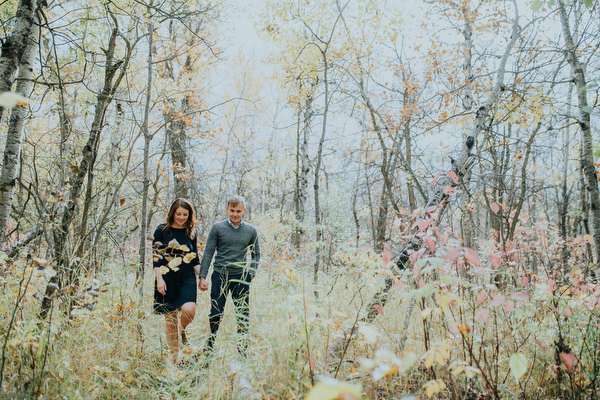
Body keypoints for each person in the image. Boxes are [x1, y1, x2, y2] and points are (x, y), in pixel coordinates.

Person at [198, 195, 260, 356]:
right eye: (232, 210)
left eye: (238, 211)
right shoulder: (217, 228)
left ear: (244, 211)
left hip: (240, 277)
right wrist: (202, 276)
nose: (235, 214)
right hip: (220, 275)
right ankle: (209, 348)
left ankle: (242, 351)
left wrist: (251, 273)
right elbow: (208, 253)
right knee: (216, 313)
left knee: (243, 314)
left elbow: (256, 255)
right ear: (227, 209)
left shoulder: (251, 231)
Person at [152, 198, 200, 364]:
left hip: (187, 277)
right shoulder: (161, 230)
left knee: (189, 309)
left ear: (189, 215)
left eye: (185, 214)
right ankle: (175, 360)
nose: (181, 217)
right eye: (178, 214)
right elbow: (156, 258)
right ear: (172, 213)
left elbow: (195, 260)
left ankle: (183, 328)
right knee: (170, 320)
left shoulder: (191, 232)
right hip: (166, 277)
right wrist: (159, 279)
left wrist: (202, 277)